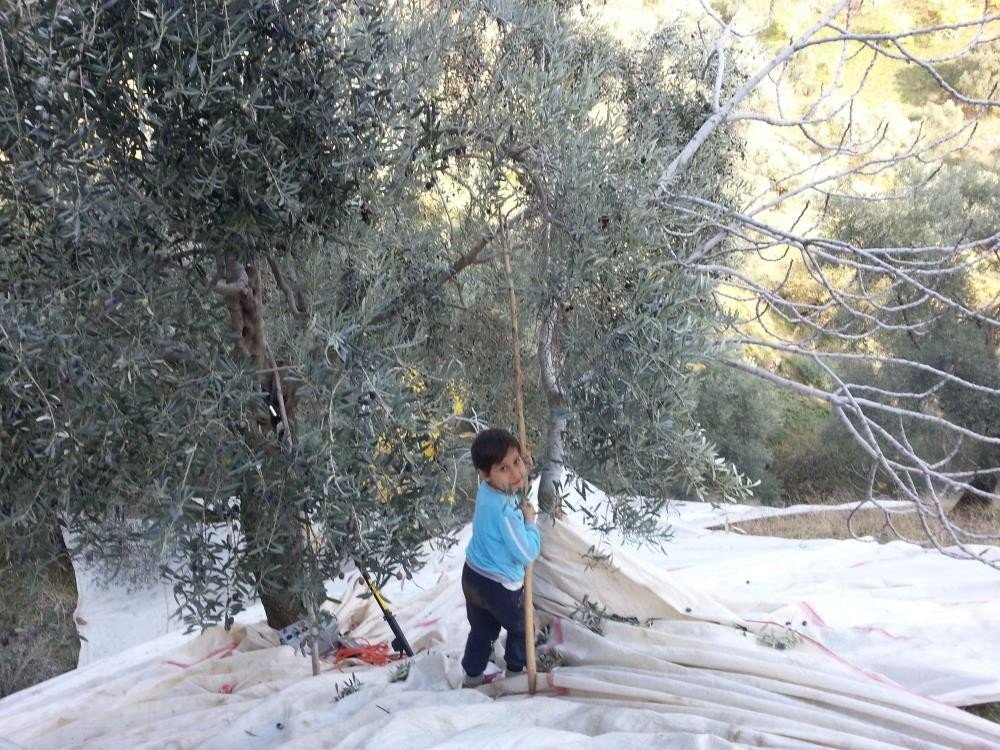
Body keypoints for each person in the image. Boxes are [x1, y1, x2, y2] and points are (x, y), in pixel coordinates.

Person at [461, 428, 541, 688]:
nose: (516, 473)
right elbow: (527, 553)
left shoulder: (487, 491)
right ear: (486, 474)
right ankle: (515, 673)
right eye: (504, 468)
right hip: (499, 586)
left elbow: (514, 486)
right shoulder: (506, 511)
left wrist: (521, 475)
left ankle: (472, 676)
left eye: (517, 462)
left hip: (472, 575)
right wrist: (530, 523)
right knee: (521, 627)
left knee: (482, 631)